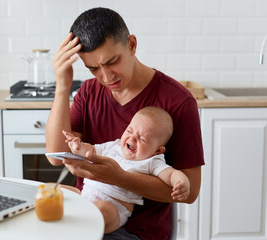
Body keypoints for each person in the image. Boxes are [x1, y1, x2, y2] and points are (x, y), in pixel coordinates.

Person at [45, 7, 204, 240]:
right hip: (86, 215)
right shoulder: (88, 92)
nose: (107, 77)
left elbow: (190, 193)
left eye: (112, 61)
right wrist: (62, 87)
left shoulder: (178, 101)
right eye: (93, 68)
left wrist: (118, 177)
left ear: (131, 45)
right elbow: (56, 156)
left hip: (136, 231)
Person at [62, 106, 190, 233]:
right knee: (58, 190)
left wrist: (182, 182)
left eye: (142, 139)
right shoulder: (114, 146)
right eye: (129, 131)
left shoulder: (152, 161)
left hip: (115, 210)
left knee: (102, 209)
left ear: (157, 150)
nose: (132, 138)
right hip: (85, 195)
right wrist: (78, 147)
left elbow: (171, 174)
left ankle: (75, 227)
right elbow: (91, 150)